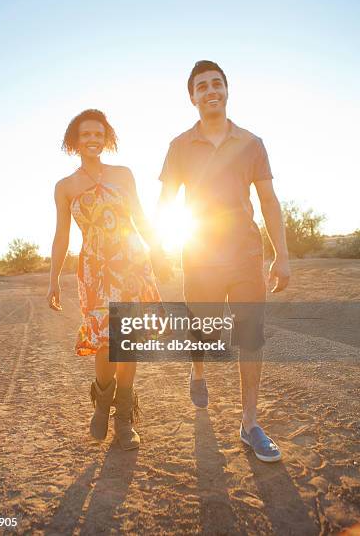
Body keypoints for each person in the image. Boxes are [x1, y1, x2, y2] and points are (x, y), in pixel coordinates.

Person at [158, 60, 290, 462]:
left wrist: (281, 256)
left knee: (251, 335)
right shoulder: (179, 146)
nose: (211, 90)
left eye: (217, 83)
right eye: (202, 86)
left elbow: (268, 200)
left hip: (247, 256)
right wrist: (159, 248)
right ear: (192, 96)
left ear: (227, 90)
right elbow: (165, 203)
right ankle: (197, 371)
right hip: (199, 255)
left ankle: (249, 422)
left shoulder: (251, 143)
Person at [47, 108, 166, 451]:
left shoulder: (124, 175)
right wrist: (53, 279)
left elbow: (141, 219)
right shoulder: (65, 187)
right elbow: (61, 236)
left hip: (131, 265)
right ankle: (102, 398)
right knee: (104, 342)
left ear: (107, 137)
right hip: (95, 271)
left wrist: (158, 250)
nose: (93, 140)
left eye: (98, 134)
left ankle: (124, 417)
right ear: (75, 141)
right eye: (86, 135)